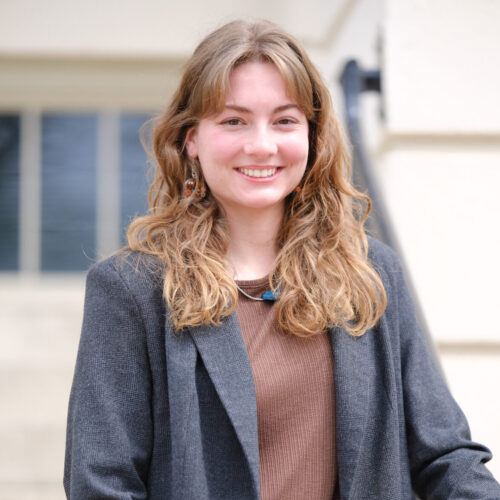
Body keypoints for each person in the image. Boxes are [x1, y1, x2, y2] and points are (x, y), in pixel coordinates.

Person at [64, 19, 500, 500]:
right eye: (234, 120)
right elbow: (101, 483)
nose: (262, 145)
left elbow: (444, 454)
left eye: (285, 120)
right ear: (190, 138)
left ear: (312, 137)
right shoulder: (132, 289)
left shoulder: (369, 273)